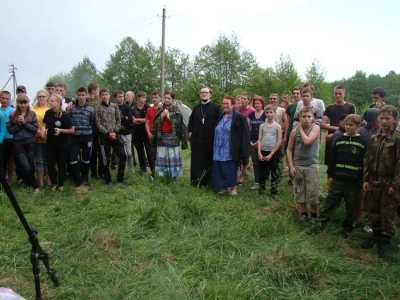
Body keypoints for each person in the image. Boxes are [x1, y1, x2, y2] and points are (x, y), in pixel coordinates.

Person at [311, 114, 368, 237]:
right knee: (330, 202)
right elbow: (332, 160)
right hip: (338, 179)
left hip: (353, 182)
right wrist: (330, 175)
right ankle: (320, 224)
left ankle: (347, 228)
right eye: (346, 124)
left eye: (351, 125)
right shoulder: (339, 140)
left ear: (358, 126)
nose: (348, 127)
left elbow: (365, 163)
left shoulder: (363, 143)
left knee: (351, 205)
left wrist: (363, 180)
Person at [361, 105, 400, 258]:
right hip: (374, 182)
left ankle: (385, 241)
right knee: (373, 211)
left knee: (388, 213)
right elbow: (367, 160)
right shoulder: (374, 138)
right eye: (381, 118)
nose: (383, 121)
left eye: (387, 118)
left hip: (389, 183)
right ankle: (375, 237)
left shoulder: (397, 140)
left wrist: (395, 185)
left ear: (394, 120)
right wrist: (366, 179)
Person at [286, 107, 320, 223]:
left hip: (311, 165)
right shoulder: (294, 132)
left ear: (313, 118)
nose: (306, 119)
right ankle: (303, 214)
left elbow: (308, 141)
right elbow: (289, 149)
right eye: (304, 117)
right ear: (300, 117)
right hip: (298, 165)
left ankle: (314, 215)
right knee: (299, 190)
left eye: (309, 117)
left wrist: (300, 129)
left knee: (312, 191)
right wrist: (291, 166)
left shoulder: (315, 128)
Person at [211, 95, 250, 196]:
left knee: (231, 168)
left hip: (231, 147)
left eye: (227, 104)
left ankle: (234, 188)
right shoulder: (220, 116)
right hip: (219, 148)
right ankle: (225, 187)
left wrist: (244, 150)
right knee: (220, 167)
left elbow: (245, 135)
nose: (225, 105)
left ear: (233, 105)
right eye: (223, 104)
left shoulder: (239, 117)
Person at [188, 86, 221, 187]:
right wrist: (190, 131)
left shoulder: (216, 107)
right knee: (197, 161)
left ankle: (208, 183)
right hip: (197, 140)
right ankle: (196, 181)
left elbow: (219, 123)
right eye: (202, 92)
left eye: (206, 92)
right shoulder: (196, 108)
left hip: (210, 139)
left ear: (210, 94)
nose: (204, 94)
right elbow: (191, 121)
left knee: (208, 161)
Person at [6, 95, 39, 193]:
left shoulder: (32, 114)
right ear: (18, 104)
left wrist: (25, 123)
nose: (23, 105)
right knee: (25, 165)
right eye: (21, 103)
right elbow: (10, 131)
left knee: (30, 165)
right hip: (18, 144)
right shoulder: (12, 115)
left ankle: (28, 183)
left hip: (31, 142)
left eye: (25, 103)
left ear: (28, 103)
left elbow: (34, 129)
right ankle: (35, 186)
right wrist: (19, 125)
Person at [151, 91, 187, 180]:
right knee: (162, 156)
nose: (166, 100)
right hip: (162, 136)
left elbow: (179, 124)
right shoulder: (160, 109)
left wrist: (168, 116)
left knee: (172, 157)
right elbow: (155, 124)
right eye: (165, 98)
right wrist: (162, 116)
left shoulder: (176, 109)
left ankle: (173, 176)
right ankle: (163, 175)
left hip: (173, 137)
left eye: (169, 98)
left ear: (173, 99)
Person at [42, 94, 74, 191]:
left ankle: (61, 184)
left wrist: (61, 131)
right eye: (49, 101)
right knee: (51, 164)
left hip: (63, 144)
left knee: (61, 164)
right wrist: (43, 130)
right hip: (50, 143)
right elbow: (44, 123)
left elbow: (72, 130)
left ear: (58, 103)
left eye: (51, 101)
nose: (49, 102)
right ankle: (53, 183)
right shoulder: (48, 112)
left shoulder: (65, 116)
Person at [95, 88, 127, 186]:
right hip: (104, 136)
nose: (105, 96)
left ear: (109, 95)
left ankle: (120, 177)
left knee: (123, 155)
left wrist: (115, 132)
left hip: (115, 135)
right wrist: (108, 133)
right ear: (100, 96)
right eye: (103, 94)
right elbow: (98, 123)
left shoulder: (114, 106)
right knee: (105, 158)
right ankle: (107, 179)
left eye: (106, 94)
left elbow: (118, 120)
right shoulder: (98, 108)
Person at [322, 86, 356, 165]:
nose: (338, 95)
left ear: (344, 94)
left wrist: (339, 131)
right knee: (330, 163)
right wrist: (338, 129)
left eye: (340, 93)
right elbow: (323, 124)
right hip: (331, 139)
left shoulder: (350, 107)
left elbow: (353, 123)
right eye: (336, 93)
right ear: (333, 94)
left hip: (346, 138)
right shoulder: (330, 108)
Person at [68, 87, 95, 187]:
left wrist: (87, 130)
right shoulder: (72, 108)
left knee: (86, 158)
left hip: (87, 136)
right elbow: (69, 121)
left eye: (83, 95)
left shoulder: (91, 109)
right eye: (79, 95)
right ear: (77, 95)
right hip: (74, 137)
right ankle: (77, 179)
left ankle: (85, 179)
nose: (81, 97)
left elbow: (92, 122)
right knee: (73, 158)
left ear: (86, 95)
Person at [257, 104, 282, 196]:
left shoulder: (278, 126)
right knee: (262, 171)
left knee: (274, 172)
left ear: (274, 113)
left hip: (273, 152)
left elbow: (279, 141)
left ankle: (273, 190)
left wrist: (271, 154)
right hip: (263, 151)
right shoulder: (262, 126)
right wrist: (259, 152)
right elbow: (259, 139)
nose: (269, 114)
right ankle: (261, 189)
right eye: (267, 112)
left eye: (271, 112)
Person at [32, 89, 50, 187]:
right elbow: (30, 123)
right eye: (39, 96)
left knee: (48, 160)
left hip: (49, 138)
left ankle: (49, 180)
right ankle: (40, 182)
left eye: (43, 96)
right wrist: (37, 132)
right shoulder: (33, 109)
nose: (41, 98)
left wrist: (46, 131)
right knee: (39, 160)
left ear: (47, 97)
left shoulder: (51, 108)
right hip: (37, 138)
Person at [132, 91, 153, 174]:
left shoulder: (147, 107)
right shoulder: (132, 108)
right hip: (136, 133)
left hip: (146, 132)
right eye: (143, 97)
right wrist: (143, 120)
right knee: (140, 152)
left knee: (149, 151)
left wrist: (137, 119)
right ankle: (143, 169)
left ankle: (152, 169)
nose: (144, 99)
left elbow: (148, 120)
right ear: (138, 98)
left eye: (145, 98)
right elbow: (132, 121)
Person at [247, 95, 266, 189]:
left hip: (263, 141)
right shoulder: (251, 115)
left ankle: (263, 180)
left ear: (262, 104)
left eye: (259, 103)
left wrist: (259, 142)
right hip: (252, 141)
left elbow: (268, 128)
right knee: (255, 162)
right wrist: (250, 141)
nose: (257, 105)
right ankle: (257, 181)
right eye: (255, 103)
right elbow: (247, 128)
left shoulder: (266, 114)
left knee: (262, 160)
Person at [236, 92, 254, 186]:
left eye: (244, 99)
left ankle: (241, 177)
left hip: (247, 137)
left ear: (248, 100)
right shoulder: (236, 109)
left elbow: (253, 125)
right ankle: (236, 175)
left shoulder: (251, 111)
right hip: (236, 137)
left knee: (245, 158)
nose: (242, 100)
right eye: (241, 98)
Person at [114, 90, 133, 175]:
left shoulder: (127, 107)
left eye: (122, 97)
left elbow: (130, 120)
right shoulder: (112, 107)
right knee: (118, 153)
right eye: (119, 97)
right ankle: (120, 170)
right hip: (117, 133)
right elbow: (112, 121)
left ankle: (131, 170)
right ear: (115, 98)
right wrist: (123, 118)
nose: (121, 98)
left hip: (126, 133)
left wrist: (121, 120)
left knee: (129, 153)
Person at [87, 82, 103, 179]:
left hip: (100, 130)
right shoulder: (86, 100)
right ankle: (93, 173)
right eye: (97, 90)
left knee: (101, 151)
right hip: (90, 130)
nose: (98, 92)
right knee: (92, 152)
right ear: (93, 91)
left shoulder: (100, 101)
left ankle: (101, 172)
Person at [145, 91, 162, 179]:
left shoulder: (163, 109)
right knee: (151, 154)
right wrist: (148, 132)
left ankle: (161, 172)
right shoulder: (149, 109)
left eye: (156, 97)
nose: (154, 99)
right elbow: (147, 123)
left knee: (160, 154)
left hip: (160, 136)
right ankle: (153, 172)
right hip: (151, 135)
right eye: (153, 97)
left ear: (160, 98)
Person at [0, 90, 15, 185]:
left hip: (11, 138)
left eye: (7, 98)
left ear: (10, 100)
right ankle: (2, 179)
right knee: (1, 160)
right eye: (2, 98)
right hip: (1, 140)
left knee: (10, 159)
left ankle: (9, 180)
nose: (4, 100)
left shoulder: (13, 111)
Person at [125, 91, 137, 168]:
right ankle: (132, 162)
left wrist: (130, 119)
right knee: (130, 147)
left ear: (132, 97)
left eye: (127, 95)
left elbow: (135, 119)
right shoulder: (124, 106)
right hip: (128, 129)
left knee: (138, 147)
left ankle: (144, 162)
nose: (126, 97)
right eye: (125, 95)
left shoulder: (135, 106)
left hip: (136, 129)